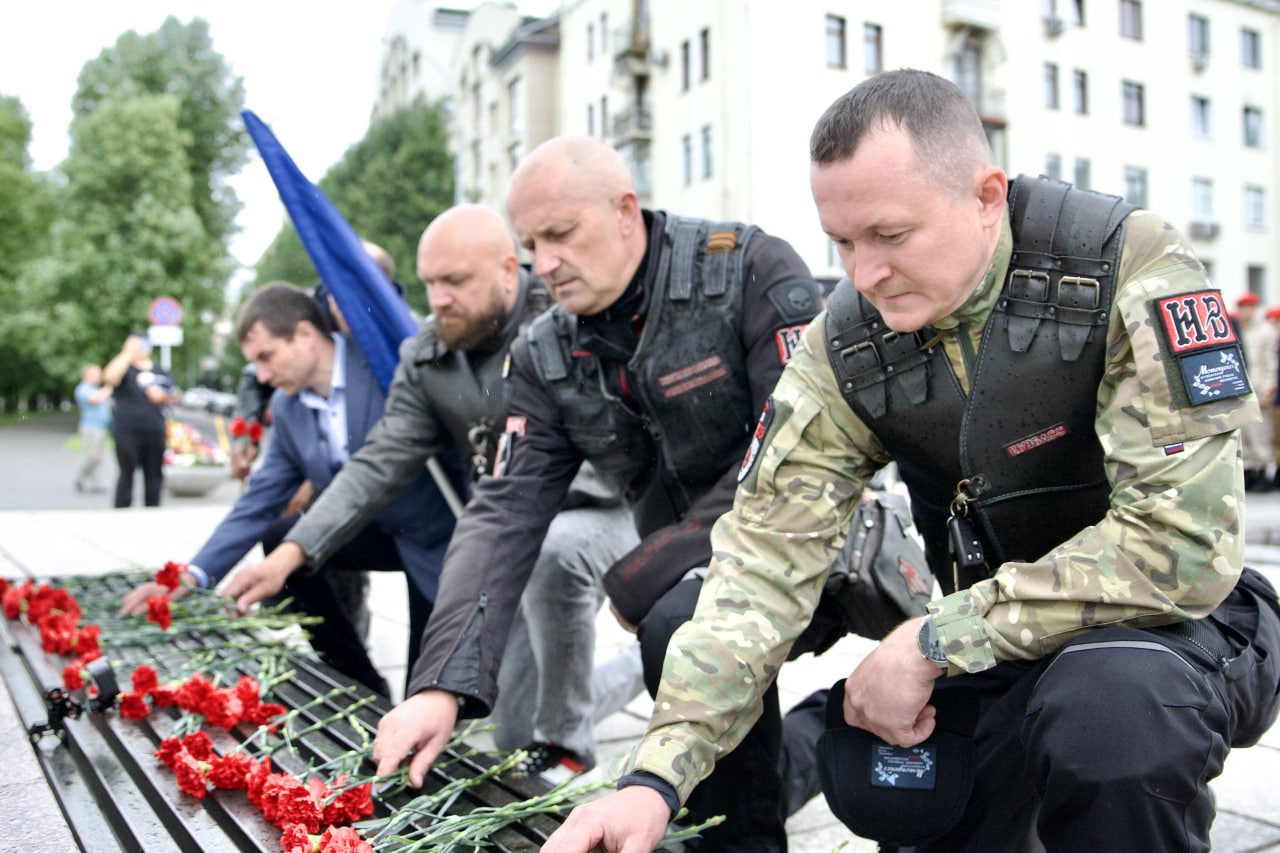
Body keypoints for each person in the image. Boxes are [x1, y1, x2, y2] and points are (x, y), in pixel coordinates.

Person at [543, 70, 1280, 853]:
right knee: (899, 789)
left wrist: (934, 638)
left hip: (1174, 630)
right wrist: (655, 779)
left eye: (890, 237)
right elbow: (761, 557)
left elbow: (1182, 544)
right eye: (843, 243)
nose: (863, 275)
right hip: (1001, 641)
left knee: (1108, 710)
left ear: (986, 196)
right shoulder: (850, 341)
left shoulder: (1127, 268)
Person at [360, 135, 821, 827]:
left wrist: (650, 567)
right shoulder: (546, 350)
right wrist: (438, 685)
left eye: (562, 234)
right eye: (531, 241)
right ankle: (801, 764)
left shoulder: (748, 269)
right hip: (688, 579)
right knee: (721, 727)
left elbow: (794, 460)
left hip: (814, 538)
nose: (543, 263)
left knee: (681, 625)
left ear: (624, 210)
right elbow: (503, 511)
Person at [225, 204, 643, 775]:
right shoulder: (425, 354)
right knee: (508, 728)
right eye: (429, 283)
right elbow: (379, 461)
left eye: (455, 281)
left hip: (605, 507)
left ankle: (568, 747)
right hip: (508, 524)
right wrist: (291, 554)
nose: (438, 298)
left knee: (557, 558)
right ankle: (643, 668)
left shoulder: (566, 319)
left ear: (504, 269)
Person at [120, 282, 465, 697]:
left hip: (435, 537)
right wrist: (192, 575)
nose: (262, 375)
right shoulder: (287, 408)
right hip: (368, 529)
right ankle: (358, 682)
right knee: (278, 535)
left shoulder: (383, 366)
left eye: (267, 357)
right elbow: (259, 500)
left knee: (425, 690)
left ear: (305, 335)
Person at [104, 333, 180, 507]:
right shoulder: (125, 369)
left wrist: (164, 396)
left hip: (154, 428)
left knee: (154, 473)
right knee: (126, 472)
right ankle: (121, 511)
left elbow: (175, 393)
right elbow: (109, 377)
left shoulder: (159, 370)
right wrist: (127, 353)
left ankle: (152, 510)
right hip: (126, 428)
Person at [1235, 292, 1277, 490]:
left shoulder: (1265, 331)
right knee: (1246, 434)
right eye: (1242, 308)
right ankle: (1250, 470)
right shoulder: (1239, 330)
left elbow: (1271, 363)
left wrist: (1269, 389)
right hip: (1242, 388)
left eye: (1248, 308)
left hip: (1258, 388)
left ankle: (1262, 471)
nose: (1245, 312)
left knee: (1261, 433)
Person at [73, 363, 112, 493]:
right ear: (88, 375)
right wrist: (110, 387)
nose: (99, 376)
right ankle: (81, 478)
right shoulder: (83, 388)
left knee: (99, 457)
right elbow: (95, 399)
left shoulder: (96, 389)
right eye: (97, 373)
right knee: (93, 456)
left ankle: (97, 484)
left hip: (102, 426)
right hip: (91, 427)